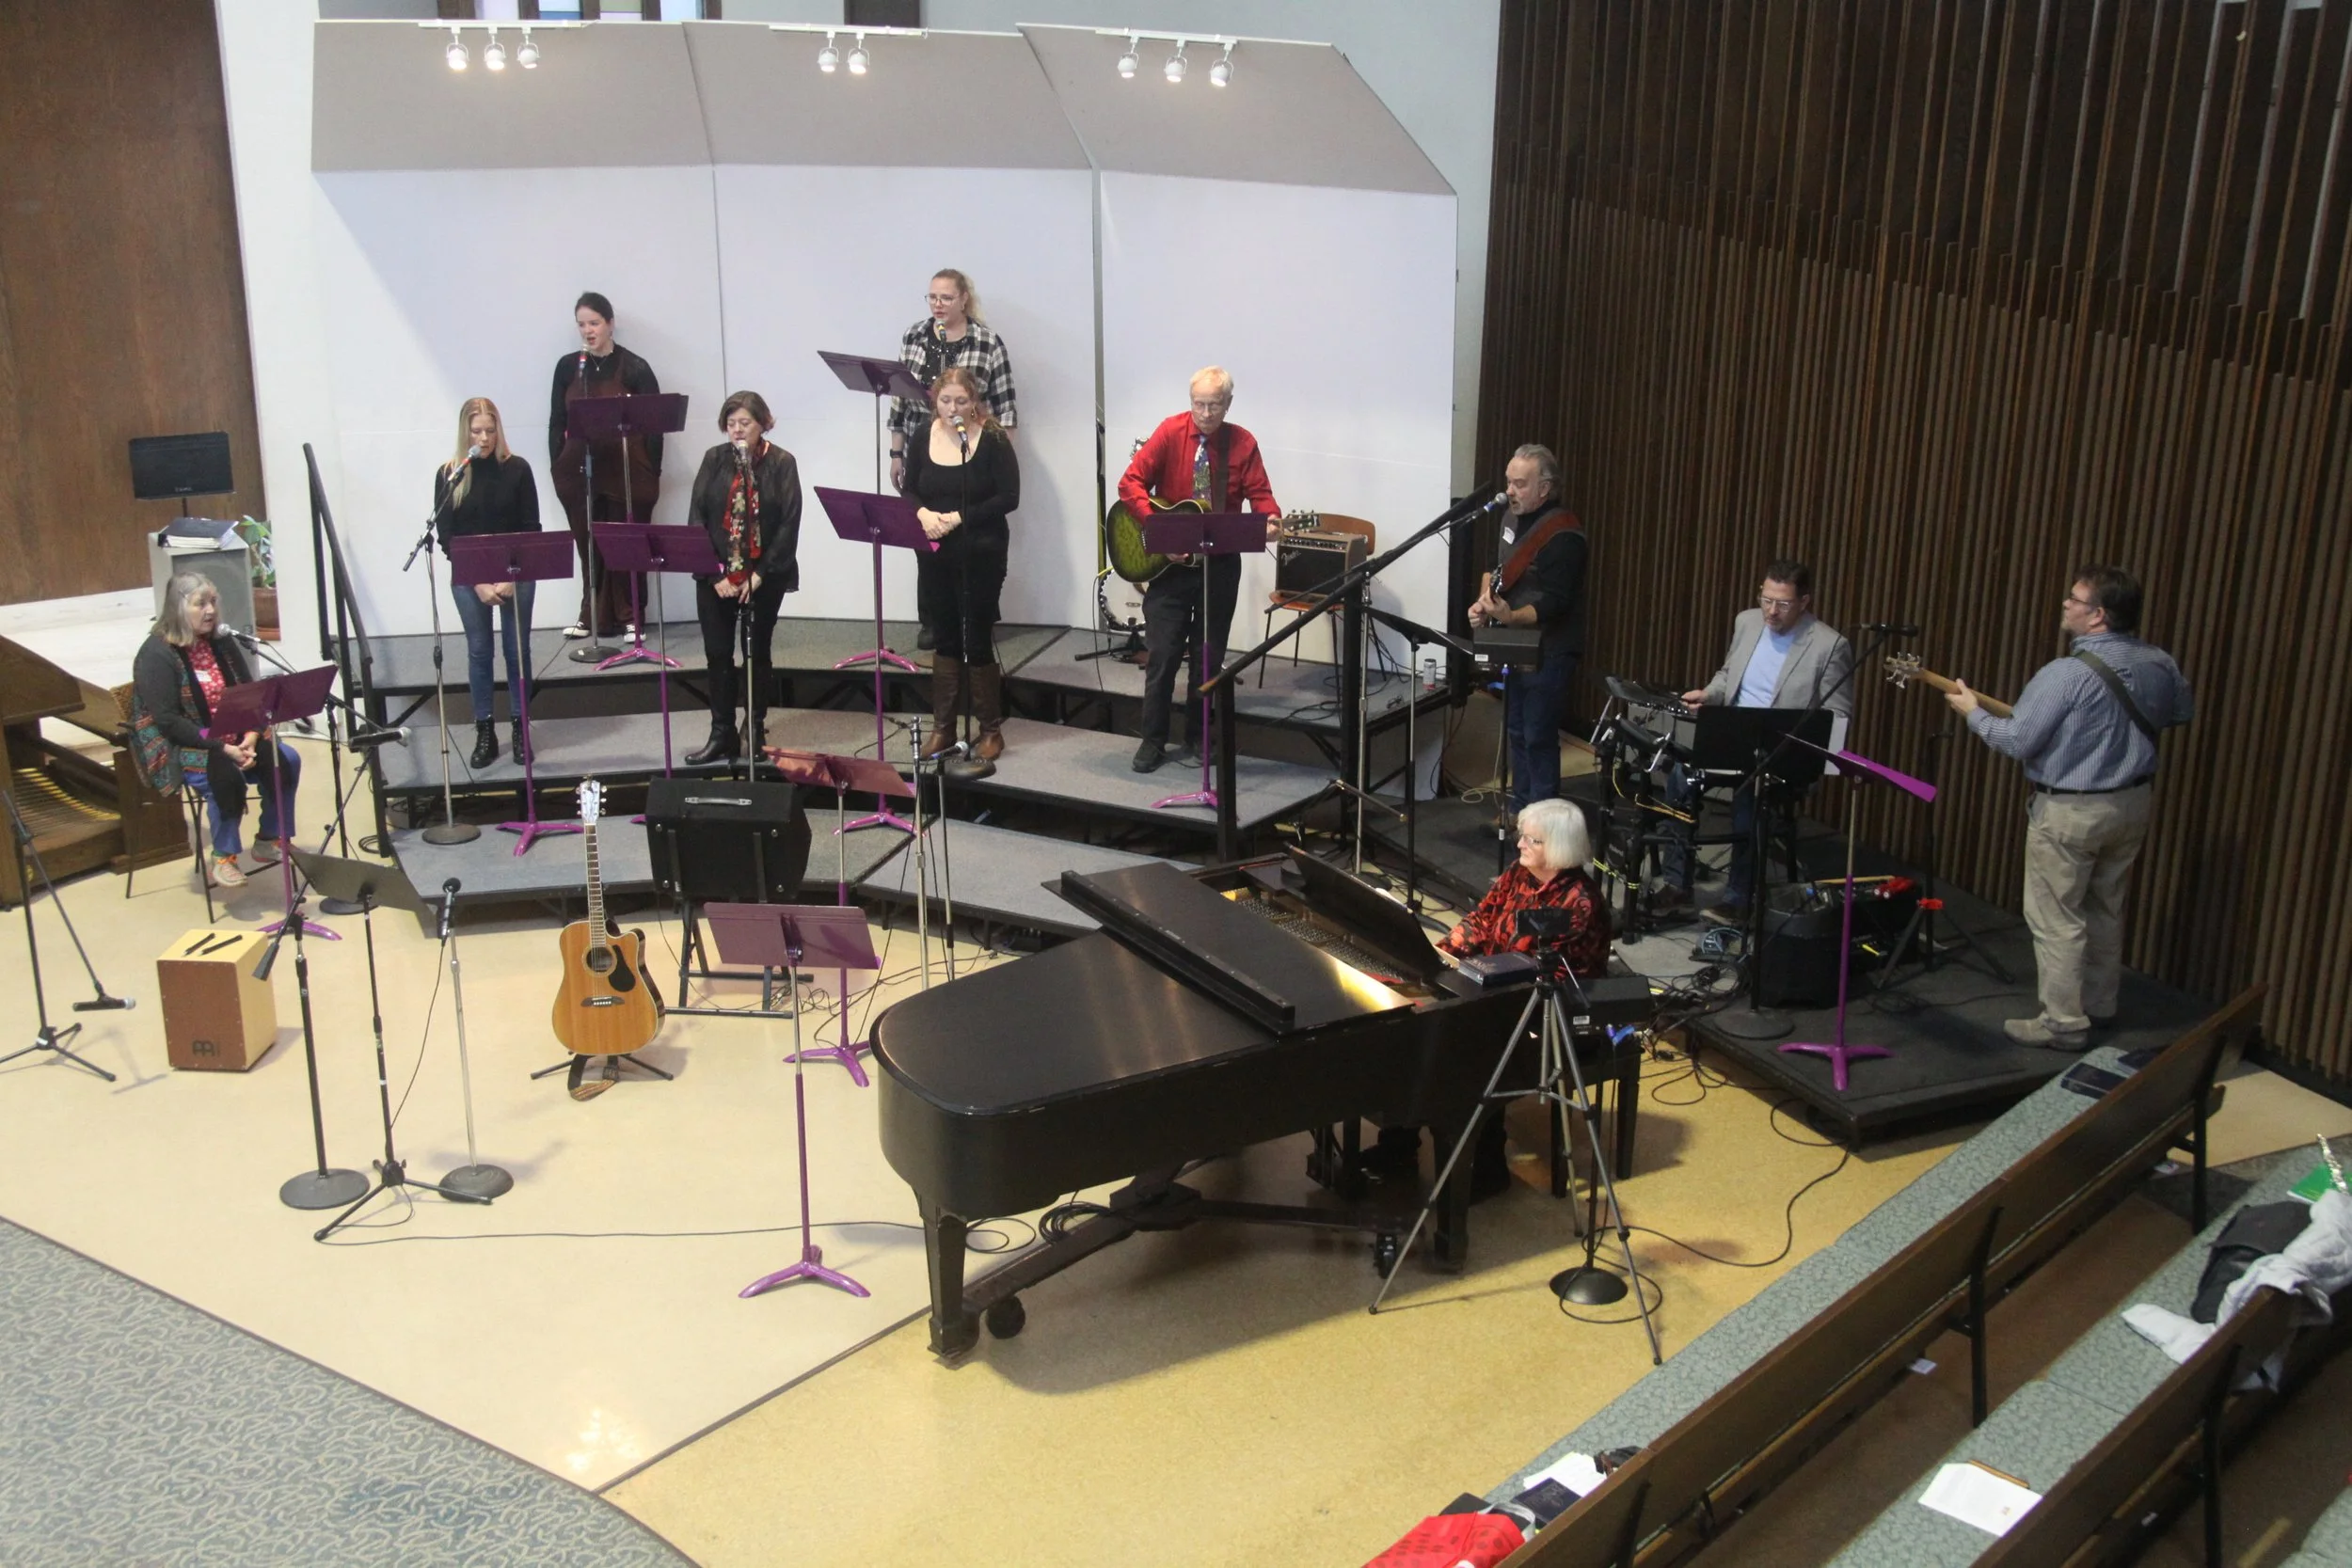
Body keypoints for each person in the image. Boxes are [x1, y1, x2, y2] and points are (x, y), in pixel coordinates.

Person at [1947, 565, 2192, 1049]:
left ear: (2097, 615)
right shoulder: (2159, 662)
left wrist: (1971, 713)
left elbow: (2016, 739)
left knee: (2056, 916)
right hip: (2132, 803)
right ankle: (2099, 1004)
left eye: (2074, 599)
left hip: (2070, 812)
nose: (2065, 604)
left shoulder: (2065, 675)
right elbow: (2180, 713)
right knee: (2106, 906)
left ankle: (2062, 1022)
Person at [1366, 799, 1613, 1197]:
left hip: (1552, 1008)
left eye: (1531, 839)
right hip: (1499, 987)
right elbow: (1481, 918)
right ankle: (1398, 1146)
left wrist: (1468, 973)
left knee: (1469, 1048)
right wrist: (1441, 955)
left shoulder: (1579, 902)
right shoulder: (1521, 873)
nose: (1519, 845)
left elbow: (1524, 958)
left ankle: (1489, 1166)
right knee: (1415, 1023)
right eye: (1522, 836)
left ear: (1558, 848)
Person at [1661, 559, 1855, 916]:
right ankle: (1677, 883)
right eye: (1766, 599)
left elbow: (1838, 717)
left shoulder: (1830, 646)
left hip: (1777, 753)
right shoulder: (1747, 621)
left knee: (1752, 797)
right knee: (1678, 776)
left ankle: (1739, 897)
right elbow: (1727, 673)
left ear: (1804, 602)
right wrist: (1711, 694)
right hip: (1730, 736)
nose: (1771, 611)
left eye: (1782, 604)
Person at [1120, 367, 1280, 773]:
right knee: (1162, 655)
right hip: (1170, 570)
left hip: (1220, 565)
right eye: (1199, 404)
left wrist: (1272, 520)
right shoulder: (1170, 432)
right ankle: (1153, 739)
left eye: (1214, 405)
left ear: (1228, 403)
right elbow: (1130, 483)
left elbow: (1261, 495)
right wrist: (1157, 529)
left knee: (1208, 657)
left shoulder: (1242, 443)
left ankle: (1197, 736)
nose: (1205, 413)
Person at [133, 573, 300, 891]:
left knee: (286, 759)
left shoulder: (221, 641)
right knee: (225, 774)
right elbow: (168, 720)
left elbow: (250, 693)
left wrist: (251, 734)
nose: (210, 611)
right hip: (184, 742)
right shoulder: (156, 654)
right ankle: (223, 857)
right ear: (178, 608)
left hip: (235, 733)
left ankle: (269, 837)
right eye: (200, 604)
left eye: (213, 602)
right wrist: (223, 748)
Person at [889, 269, 1019, 653]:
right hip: (923, 447)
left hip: (971, 448)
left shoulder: (986, 341)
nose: (938, 305)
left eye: (945, 298)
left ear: (964, 298)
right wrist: (897, 452)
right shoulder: (914, 336)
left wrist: (996, 456)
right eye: (932, 298)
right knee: (926, 537)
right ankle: (933, 620)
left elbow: (1005, 406)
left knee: (971, 543)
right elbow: (898, 401)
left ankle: (977, 620)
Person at [905, 367, 1020, 762]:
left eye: (961, 401)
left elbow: (1009, 497)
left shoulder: (991, 438)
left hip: (981, 549)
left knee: (976, 637)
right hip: (934, 550)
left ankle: (990, 730)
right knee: (945, 636)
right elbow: (910, 487)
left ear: (975, 402)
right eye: (945, 400)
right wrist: (921, 513)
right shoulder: (923, 434)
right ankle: (943, 728)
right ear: (934, 400)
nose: (952, 408)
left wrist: (957, 517)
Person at [684, 392, 803, 765]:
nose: (737, 430)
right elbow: (697, 517)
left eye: (745, 423)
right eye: (731, 423)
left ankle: (753, 727)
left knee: (756, 653)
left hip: (764, 576)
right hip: (717, 576)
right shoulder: (713, 459)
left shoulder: (782, 462)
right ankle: (721, 732)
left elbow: (789, 523)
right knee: (718, 654)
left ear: (763, 423)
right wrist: (714, 573)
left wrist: (761, 574)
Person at [1468, 445, 1585, 811]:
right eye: (1508, 482)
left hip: (1550, 649)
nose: (1510, 491)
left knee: (1538, 736)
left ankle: (1545, 823)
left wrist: (1511, 617)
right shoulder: (1509, 518)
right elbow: (1495, 566)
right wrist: (1483, 603)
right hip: (1515, 645)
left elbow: (1556, 601)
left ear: (1544, 489)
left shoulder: (1564, 534)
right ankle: (1521, 815)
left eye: (1519, 484)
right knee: (1516, 732)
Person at [432, 397, 541, 768]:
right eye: (477, 431)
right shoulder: (451, 473)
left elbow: (531, 528)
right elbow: (447, 537)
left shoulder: (518, 469)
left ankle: (519, 727)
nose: (484, 438)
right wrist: (478, 580)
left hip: (516, 573)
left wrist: (510, 575)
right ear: (466, 432)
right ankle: (484, 731)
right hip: (469, 577)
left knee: (517, 650)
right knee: (480, 652)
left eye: (490, 431)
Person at [548, 291, 662, 641]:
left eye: (594, 323)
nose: (588, 330)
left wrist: (651, 470)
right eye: (582, 324)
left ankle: (632, 617)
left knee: (626, 540)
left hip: (626, 472)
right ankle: (592, 615)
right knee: (589, 544)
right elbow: (556, 420)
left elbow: (655, 426)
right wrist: (557, 463)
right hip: (581, 472)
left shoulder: (635, 367)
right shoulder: (570, 367)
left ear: (610, 324)